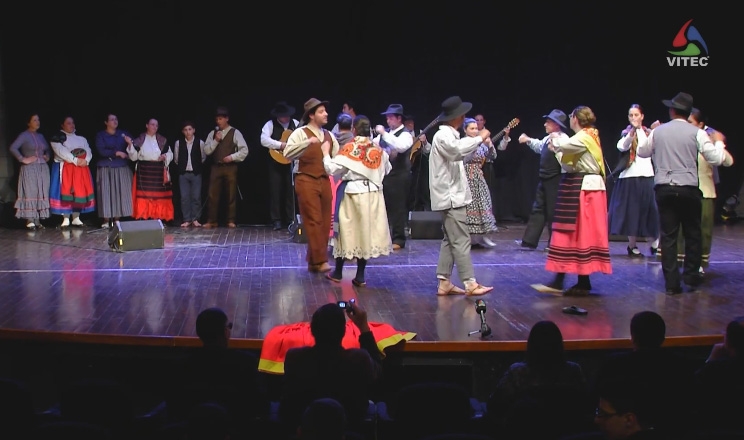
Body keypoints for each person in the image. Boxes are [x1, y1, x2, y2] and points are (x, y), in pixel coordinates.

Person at [636, 92, 733, 294]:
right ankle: (690, 277)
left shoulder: (659, 132)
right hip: (688, 188)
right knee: (693, 234)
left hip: (665, 188)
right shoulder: (697, 133)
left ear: (672, 111)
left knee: (669, 237)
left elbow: (642, 152)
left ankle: (671, 284)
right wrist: (719, 142)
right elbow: (716, 158)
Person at [532, 106, 612, 295]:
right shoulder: (583, 137)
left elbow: (565, 146)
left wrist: (555, 141)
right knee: (570, 233)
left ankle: (572, 281)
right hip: (576, 185)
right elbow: (568, 164)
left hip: (585, 189)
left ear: (575, 118)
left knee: (579, 234)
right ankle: (574, 281)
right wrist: (556, 149)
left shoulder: (585, 136)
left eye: (571, 116)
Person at [429, 96, 493, 297]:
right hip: (450, 197)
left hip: (452, 195)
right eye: (462, 115)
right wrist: (479, 137)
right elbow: (456, 152)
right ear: (456, 117)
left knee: (450, 239)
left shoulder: (450, 135)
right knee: (461, 240)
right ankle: (470, 282)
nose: (464, 117)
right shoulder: (443, 136)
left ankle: (444, 282)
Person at [323, 115, 393, 286]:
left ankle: (338, 272)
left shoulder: (350, 148)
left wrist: (325, 153)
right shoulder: (378, 150)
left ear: (354, 129)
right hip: (373, 195)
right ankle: (360, 276)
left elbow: (331, 169)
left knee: (345, 230)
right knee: (364, 232)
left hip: (352, 195)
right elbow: (387, 169)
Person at [284, 98, 341, 273]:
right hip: (306, 179)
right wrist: (307, 143)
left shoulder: (329, 135)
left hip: (324, 180)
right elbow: (287, 153)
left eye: (325, 111)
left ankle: (313, 261)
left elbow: (337, 157)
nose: (326, 114)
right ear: (311, 115)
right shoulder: (301, 133)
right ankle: (321, 260)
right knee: (314, 220)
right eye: (321, 112)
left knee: (325, 221)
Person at [608, 104, 660, 257]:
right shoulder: (626, 133)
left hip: (647, 175)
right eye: (631, 115)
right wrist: (632, 133)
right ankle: (632, 245)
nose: (633, 118)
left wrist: (647, 131)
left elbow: (646, 148)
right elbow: (622, 147)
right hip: (630, 177)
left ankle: (654, 242)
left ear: (642, 116)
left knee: (651, 210)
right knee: (633, 212)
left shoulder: (648, 133)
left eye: (636, 115)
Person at [516, 110, 570, 250]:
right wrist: (528, 140)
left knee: (553, 211)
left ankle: (554, 242)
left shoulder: (563, 139)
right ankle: (529, 240)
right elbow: (540, 146)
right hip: (544, 178)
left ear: (556, 125)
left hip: (556, 179)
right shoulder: (547, 138)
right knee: (538, 208)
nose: (545, 124)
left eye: (548, 122)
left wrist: (556, 145)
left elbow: (567, 157)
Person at [461, 117, 508, 247]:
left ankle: (483, 236)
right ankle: (468, 237)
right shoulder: (464, 143)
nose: (475, 131)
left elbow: (492, 157)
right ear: (465, 130)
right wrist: (478, 144)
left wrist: (489, 146)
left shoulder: (481, 143)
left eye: (476, 128)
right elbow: (466, 159)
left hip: (478, 177)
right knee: (470, 206)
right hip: (466, 178)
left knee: (483, 203)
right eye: (472, 128)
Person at [373, 104, 414, 250]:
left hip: (400, 175)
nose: (388, 120)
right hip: (386, 175)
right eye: (387, 118)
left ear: (399, 118)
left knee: (398, 207)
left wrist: (384, 133)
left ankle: (399, 238)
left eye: (391, 117)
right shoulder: (385, 134)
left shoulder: (405, 134)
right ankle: (383, 237)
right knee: (383, 207)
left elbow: (400, 147)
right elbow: (375, 144)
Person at [203, 107, 249, 228]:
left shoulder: (235, 132)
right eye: (217, 119)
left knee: (231, 194)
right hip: (216, 167)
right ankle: (212, 220)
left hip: (230, 167)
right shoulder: (213, 133)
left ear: (226, 119)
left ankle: (231, 220)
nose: (218, 121)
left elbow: (244, 150)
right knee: (212, 194)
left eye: (221, 119)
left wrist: (232, 157)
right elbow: (207, 150)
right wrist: (216, 141)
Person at [260, 101, 300, 230]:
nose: (286, 118)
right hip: (275, 162)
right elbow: (263, 140)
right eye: (283, 116)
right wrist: (280, 145)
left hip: (290, 161)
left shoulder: (296, 123)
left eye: (287, 115)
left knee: (290, 190)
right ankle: (276, 220)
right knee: (275, 190)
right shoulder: (270, 124)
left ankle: (290, 219)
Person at [49, 116, 96, 227]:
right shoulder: (57, 138)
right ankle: (66, 218)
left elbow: (88, 150)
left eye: (72, 123)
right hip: (65, 169)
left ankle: (76, 217)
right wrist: (75, 160)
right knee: (67, 191)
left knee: (79, 191)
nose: (71, 125)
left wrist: (86, 160)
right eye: (68, 123)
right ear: (62, 125)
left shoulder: (81, 139)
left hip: (81, 169)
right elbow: (61, 152)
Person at [126, 118, 174, 222]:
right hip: (145, 172)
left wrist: (165, 156)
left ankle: (158, 218)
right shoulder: (140, 140)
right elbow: (133, 157)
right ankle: (144, 216)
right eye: (152, 124)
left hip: (158, 172)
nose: (154, 127)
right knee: (144, 196)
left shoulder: (162, 140)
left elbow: (170, 153)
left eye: (156, 125)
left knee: (159, 197)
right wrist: (130, 145)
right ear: (147, 125)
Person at [9, 114, 51, 229]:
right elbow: (13, 148)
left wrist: (47, 156)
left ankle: (37, 220)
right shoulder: (24, 135)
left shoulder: (41, 136)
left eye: (38, 120)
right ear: (28, 123)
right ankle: (30, 219)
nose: (37, 122)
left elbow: (48, 149)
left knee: (41, 191)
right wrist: (22, 159)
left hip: (42, 168)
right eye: (34, 120)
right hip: (30, 168)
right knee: (31, 191)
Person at [94, 113, 134, 228]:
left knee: (121, 193)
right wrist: (115, 153)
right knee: (106, 193)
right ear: (106, 122)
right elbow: (101, 150)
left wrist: (129, 144)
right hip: (106, 166)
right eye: (112, 119)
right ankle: (106, 219)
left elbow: (133, 148)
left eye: (116, 119)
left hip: (121, 166)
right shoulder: (101, 135)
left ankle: (117, 218)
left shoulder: (123, 134)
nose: (115, 121)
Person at [173, 120, 206, 227]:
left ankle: (195, 218)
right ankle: (187, 219)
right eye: (185, 130)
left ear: (194, 130)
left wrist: (196, 165)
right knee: (184, 197)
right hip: (183, 173)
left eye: (190, 129)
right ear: (183, 131)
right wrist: (183, 166)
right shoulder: (178, 143)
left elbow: (203, 157)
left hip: (196, 173)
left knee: (196, 196)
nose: (188, 132)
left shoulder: (200, 142)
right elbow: (176, 158)